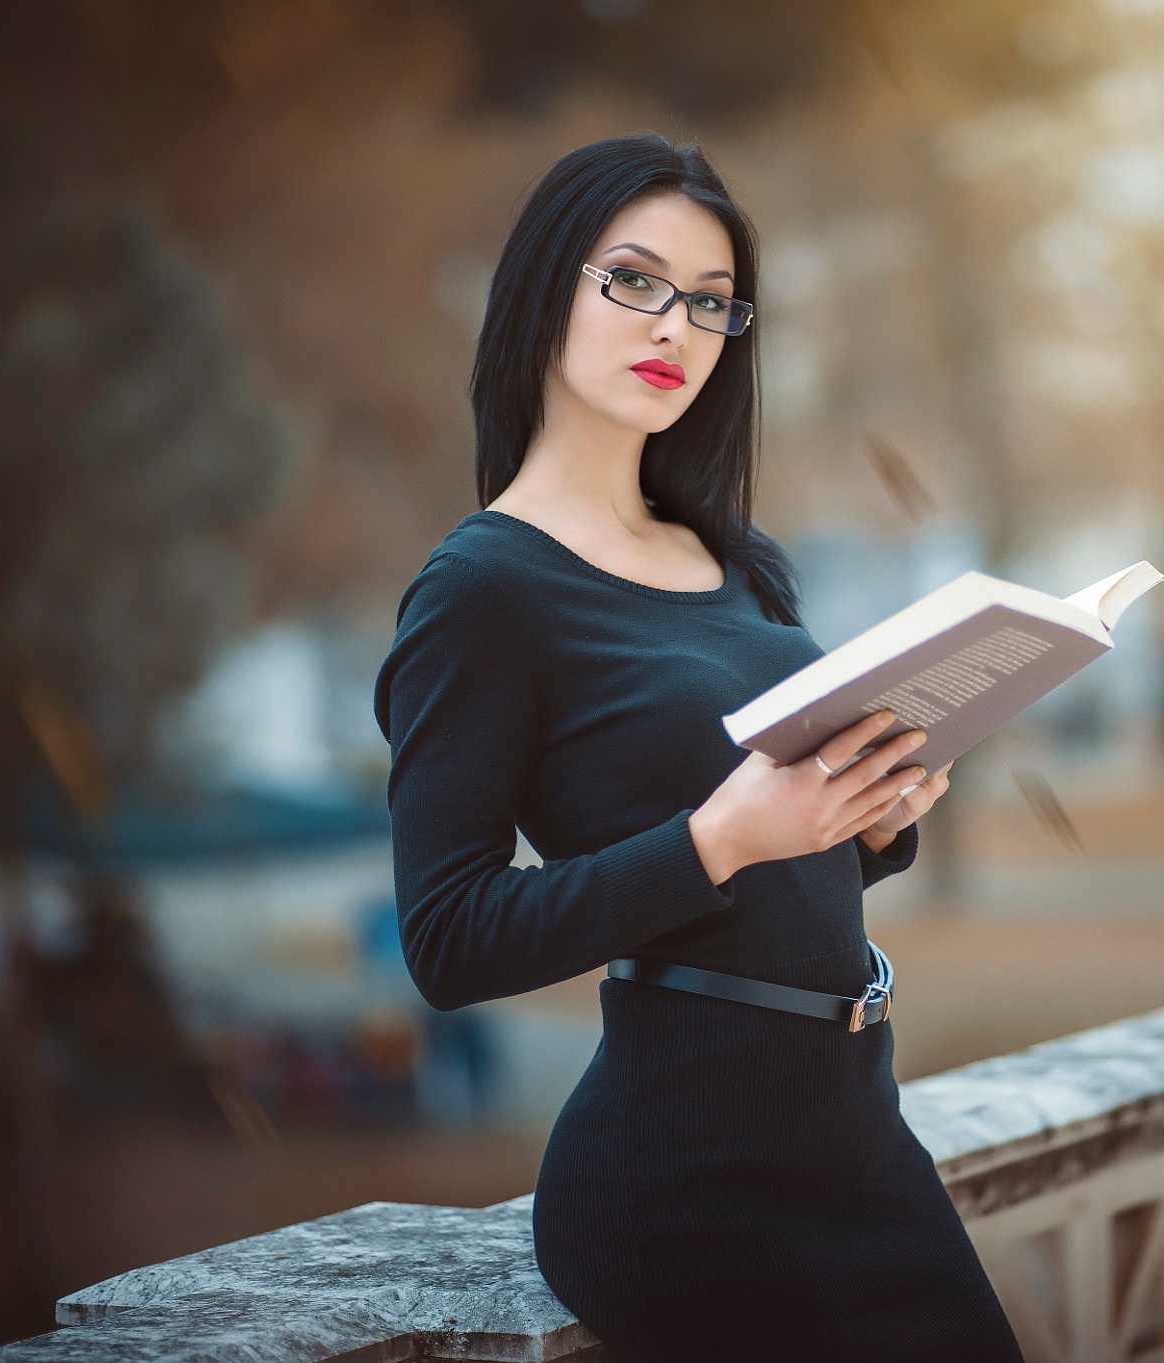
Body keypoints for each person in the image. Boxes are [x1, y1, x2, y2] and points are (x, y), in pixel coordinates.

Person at [373, 132, 1023, 1362]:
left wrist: (876, 813)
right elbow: (447, 939)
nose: (674, 324)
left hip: (854, 1136)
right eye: (632, 280)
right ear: (540, 290)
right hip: (682, 1179)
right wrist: (717, 840)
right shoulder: (481, 590)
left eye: (712, 302)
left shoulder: (736, 559)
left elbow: (792, 857)